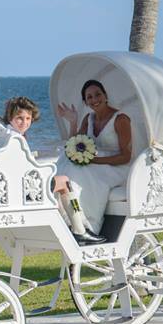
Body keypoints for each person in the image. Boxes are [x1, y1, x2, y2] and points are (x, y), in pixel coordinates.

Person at [54, 79, 132, 245]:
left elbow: (126, 156)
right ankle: (69, 220)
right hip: (94, 163)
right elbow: (73, 147)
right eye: (89, 97)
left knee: (79, 171)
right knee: (65, 165)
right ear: (85, 102)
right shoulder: (88, 119)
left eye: (98, 94)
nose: (94, 99)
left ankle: (87, 225)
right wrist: (73, 121)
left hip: (117, 166)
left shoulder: (120, 119)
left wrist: (95, 160)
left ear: (105, 95)